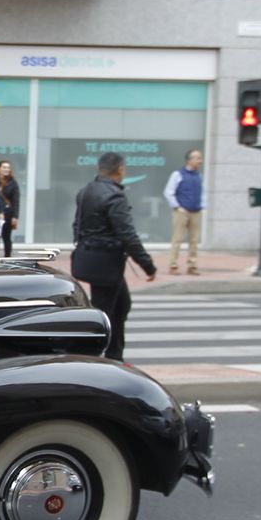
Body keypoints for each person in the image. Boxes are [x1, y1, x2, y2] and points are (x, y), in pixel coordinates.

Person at [72, 151, 156, 362]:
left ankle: (114, 355)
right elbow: (127, 234)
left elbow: (77, 225)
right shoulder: (114, 196)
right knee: (104, 312)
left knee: (121, 305)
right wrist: (147, 265)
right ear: (120, 170)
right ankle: (93, 356)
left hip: (93, 258)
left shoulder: (85, 191)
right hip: (107, 262)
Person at [162, 149, 204, 275]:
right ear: (189, 160)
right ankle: (173, 265)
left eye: (200, 158)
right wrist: (177, 206)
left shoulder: (199, 176)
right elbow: (168, 192)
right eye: (197, 158)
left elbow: (203, 193)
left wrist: (202, 205)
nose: (200, 161)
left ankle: (192, 265)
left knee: (194, 240)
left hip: (196, 211)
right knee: (177, 239)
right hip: (182, 211)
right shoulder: (178, 174)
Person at [0, 160, 19, 258]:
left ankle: (7, 257)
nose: (6, 169)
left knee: (6, 238)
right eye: (4, 167)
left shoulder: (12, 183)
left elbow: (16, 201)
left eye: (8, 167)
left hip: (7, 214)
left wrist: (15, 216)